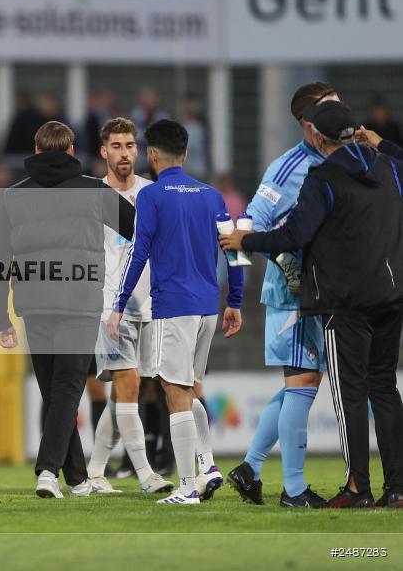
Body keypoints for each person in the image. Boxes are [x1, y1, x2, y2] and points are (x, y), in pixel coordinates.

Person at [222, 100, 403, 509]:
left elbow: (294, 235)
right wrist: (383, 144)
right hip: (390, 297)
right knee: (384, 389)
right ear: (355, 131)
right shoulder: (388, 167)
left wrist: (245, 241)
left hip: (345, 303)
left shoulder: (323, 177)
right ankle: (397, 487)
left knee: (348, 394)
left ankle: (357, 489)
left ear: (318, 136)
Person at [0, 121, 135, 498]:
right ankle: (48, 471)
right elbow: (138, 228)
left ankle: (79, 480)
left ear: (36, 151)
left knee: (56, 394)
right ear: (71, 151)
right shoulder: (94, 191)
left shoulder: (13, 196)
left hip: (34, 307)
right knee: (67, 390)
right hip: (79, 303)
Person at [109, 119, 243, 505]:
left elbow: (138, 254)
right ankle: (208, 465)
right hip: (208, 308)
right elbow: (234, 251)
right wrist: (235, 301)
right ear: (184, 154)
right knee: (189, 388)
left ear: (152, 155)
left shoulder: (151, 196)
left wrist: (119, 304)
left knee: (173, 390)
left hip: (173, 307)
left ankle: (187, 487)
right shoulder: (212, 196)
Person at [225, 82, 339, 508]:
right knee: (303, 381)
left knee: (302, 383)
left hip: (319, 291)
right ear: (308, 122)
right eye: (330, 108)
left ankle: (251, 468)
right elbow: (247, 224)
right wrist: (240, 291)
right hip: (292, 293)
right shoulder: (287, 167)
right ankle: (293, 489)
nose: (341, 115)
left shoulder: (337, 158)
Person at [88, 117, 172, 496]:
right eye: (116, 146)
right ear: (104, 151)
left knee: (124, 393)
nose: (124, 153)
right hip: (111, 305)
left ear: (138, 150)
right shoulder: (93, 197)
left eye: (130, 146)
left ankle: (95, 471)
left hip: (152, 304)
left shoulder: (153, 192)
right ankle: (145, 474)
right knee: (129, 384)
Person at [179, 96, 210, 181]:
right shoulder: (179, 125)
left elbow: (190, 147)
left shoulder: (199, 126)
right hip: (184, 170)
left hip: (197, 170)